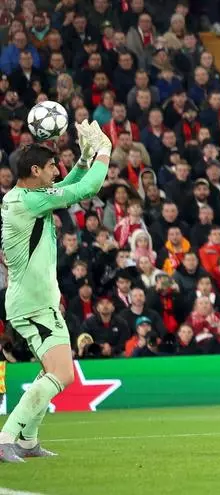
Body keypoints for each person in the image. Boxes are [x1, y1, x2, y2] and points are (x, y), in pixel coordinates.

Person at [0, 120, 112, 462]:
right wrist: (105, 152)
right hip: (33, 304)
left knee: (50, 371)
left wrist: (83, 159)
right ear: (35, 170)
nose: (55, 171)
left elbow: (66, 185)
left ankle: (29, 441)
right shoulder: (27, 203)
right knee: (62, 374)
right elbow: (84, 190)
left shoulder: (23, 197)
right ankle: (6, 436)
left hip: (36, 301)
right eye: (51, 167)